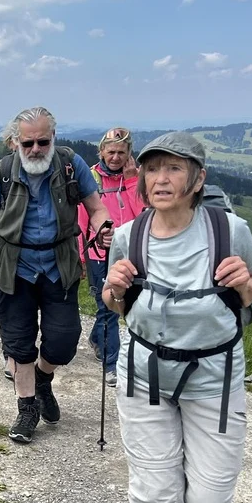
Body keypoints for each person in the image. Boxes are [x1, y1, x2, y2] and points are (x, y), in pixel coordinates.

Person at [102, 132, 252, 503]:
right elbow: (117, 304)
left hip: (214, 377)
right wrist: (113, 289)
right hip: (143, 374)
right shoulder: (129, 236)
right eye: (153, 169)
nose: (161, 179)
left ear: (198, 180)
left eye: (175, 169)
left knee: (208, 498)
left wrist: (246, 282)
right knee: (155, 491)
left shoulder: (228, 229)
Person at [0, 107, 111, 444]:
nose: (35, 149)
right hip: (13, 265)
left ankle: (44, 379)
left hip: (60, 263)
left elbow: (96, 206)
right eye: (27, 143)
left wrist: (103, 226)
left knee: (63, 342)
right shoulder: (2, 172)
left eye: (42, 142)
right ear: (16, 142)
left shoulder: (70, 165)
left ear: (53, 138)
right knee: (18, 341)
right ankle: (27, 407)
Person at [78, 127, 146, 378]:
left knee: (126, 304)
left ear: (129, 153)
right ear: (101, 152)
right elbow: (81, 219)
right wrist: (81, 256)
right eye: (111, 152)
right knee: (107, 306)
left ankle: (98, 338)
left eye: (121, 152)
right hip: (98, 253)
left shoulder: (138, 178)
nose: (115, 157)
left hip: (130, 253)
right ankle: (111, 364)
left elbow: (144, 216)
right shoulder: (91, 178)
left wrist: (130, 182)